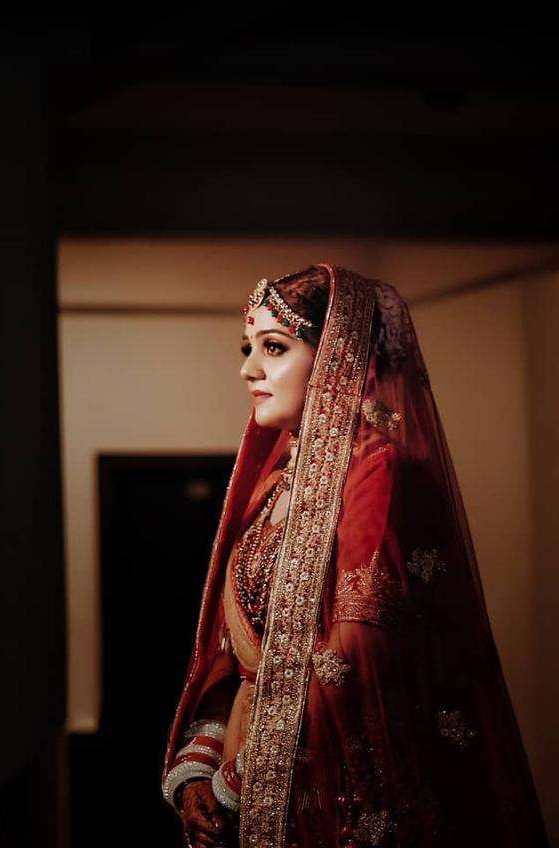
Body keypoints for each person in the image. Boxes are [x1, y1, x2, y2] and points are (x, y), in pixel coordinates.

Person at [159, 264, 549, 848]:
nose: (249, 369)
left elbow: (357, 647)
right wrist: (202, 766)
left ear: (340, 358)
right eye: (248, 348)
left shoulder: (378, 471)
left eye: (274, 347)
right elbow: (232, 651)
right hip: (250, 767)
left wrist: (239, 779)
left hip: (334, 789)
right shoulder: (274, 485)